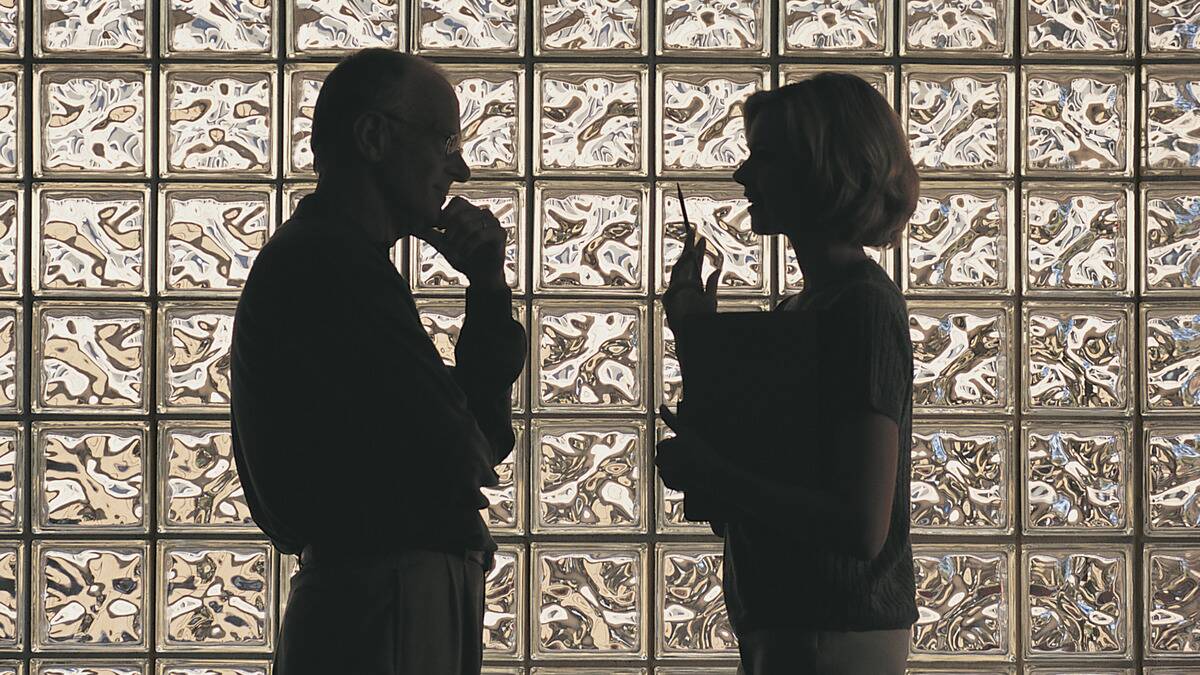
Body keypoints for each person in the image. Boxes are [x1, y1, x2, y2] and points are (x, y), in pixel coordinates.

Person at [229, 49, 527, 675]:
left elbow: (471, 438)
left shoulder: (330, 261)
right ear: (373, 136)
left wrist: (487, 288)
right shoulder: (330, 268)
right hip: (386, 597)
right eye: (445, 141)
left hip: (378, 592)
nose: (461, 168)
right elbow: (463, 447)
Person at [655, 73, 920, 675]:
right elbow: (769, 477)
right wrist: (696, 338)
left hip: (831, 629)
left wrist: (711, 470)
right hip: (804, 623)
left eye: (765, 157)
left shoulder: (860, 309)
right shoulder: (812, 308)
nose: (742, 175)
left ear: (823, 169)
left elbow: (859, 527)